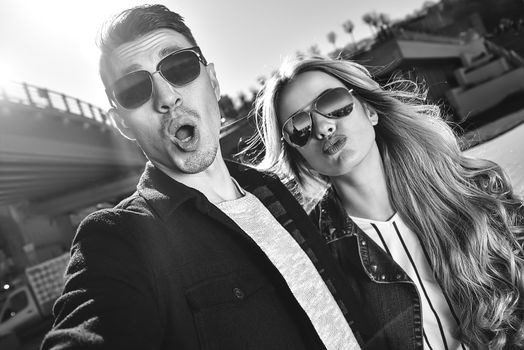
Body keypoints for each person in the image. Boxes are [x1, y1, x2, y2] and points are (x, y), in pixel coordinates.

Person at [41, 5, 365, 350]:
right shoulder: (117, 241)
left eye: (179, 67)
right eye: (134, 89)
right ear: (122, 123)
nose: (166, 97)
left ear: (212, 81)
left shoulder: (271, 189)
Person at [247, 53, 524, 350]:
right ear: (300, 157)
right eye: (299, 127)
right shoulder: (319, 262)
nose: (323, 128)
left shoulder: (471, 190)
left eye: (333, 104)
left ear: (370, 111)